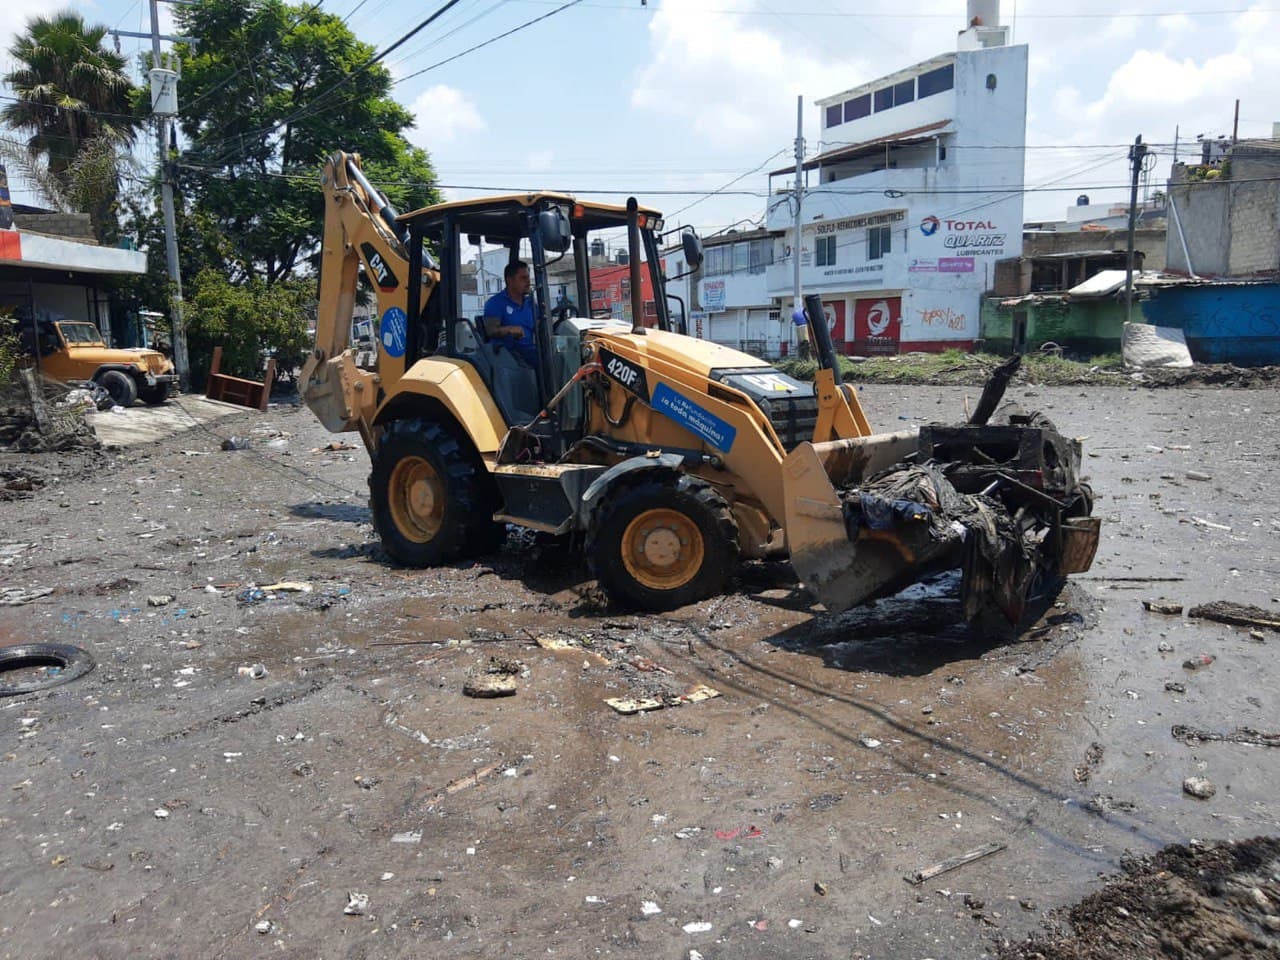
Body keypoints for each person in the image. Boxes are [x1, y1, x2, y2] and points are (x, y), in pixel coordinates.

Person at [483, 261, 538, 366]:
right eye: (523, 278)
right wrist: (509, 329)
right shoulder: (495, 303)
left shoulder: (531, 303)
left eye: (528, 278)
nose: (528, 282)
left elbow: (540, 325)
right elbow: (491, 330)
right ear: (509, 280)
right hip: (509, 357)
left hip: (531, 352)